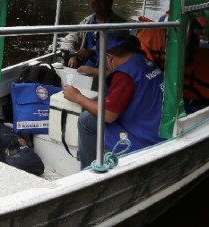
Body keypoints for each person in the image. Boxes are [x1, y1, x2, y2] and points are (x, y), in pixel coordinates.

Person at [62, 34, 165, 169]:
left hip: (144, 139)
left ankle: (88, 171)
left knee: (86, 121)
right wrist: (98, 71)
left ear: (109, 57)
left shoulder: (123, 76)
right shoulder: (142, 60)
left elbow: (109, 116)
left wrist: (77, 97)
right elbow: (129, 77)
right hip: (157, 127)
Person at [59, 0, 128, 69]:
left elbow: (116, 47)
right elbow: (70, 38)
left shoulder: (120, 24)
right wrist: (72, 55)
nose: (95, 2)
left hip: (105, 65)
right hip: (83, 62)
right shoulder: (88, 21)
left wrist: (91, 51)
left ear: (110, 3)